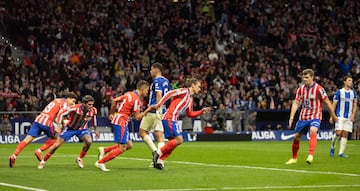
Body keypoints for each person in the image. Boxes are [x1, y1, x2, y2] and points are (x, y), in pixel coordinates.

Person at [95, 80, 155, 171]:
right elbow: (137, 117)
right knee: (122, 148)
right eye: (147, 90)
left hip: (119, 119)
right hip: (121, 121)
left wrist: (111, 113)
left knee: (129, 145)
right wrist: (148, 110)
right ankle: (101, 162)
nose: (147, 93)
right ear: (143, 89)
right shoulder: (136, 100)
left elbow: (115, 101)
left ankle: (104, 150)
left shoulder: (129, 94)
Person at [152, 78, 212, 169]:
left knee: (173, 143)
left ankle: (159, 162)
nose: (200, 89)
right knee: (179, 140)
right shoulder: (184, 91)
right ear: (192, 85)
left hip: (173, 119)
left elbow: (190, 113)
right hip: (169, 117)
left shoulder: (190, 99)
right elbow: (169, 93)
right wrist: (159, 104)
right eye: (199, 87)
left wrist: (201, 111)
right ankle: (158, 152)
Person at [9, 92, 78, 168]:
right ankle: (39, 151)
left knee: (28, 139)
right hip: (47, 122)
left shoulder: (56, 100)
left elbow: (53, 113)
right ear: (68, 98)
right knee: (56, 138)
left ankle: (14, 155)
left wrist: (60, 122)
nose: (73, 104)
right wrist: (59, 125)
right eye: (73, 101)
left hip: (39, 118)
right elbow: (59, 115)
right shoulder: (64, 104)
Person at [285, 69, 338, 165]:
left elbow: (327, 102)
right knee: (297, 137)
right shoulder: (300, 89)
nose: (304, 79)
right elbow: (296, 103)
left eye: (307, 77)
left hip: (315, 115)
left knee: (313, 130)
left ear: (312, 77)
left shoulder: (319, 89)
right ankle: (294, 158)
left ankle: (310, 155)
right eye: (303, 77)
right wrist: (291, 117)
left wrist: (333, 115)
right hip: (303, 116)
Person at [37, 95, 99, 169]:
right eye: (89, 104)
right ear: (84, 104)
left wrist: (95, 130)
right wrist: (59, 125)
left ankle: (79, 158)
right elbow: (61, 113)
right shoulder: (75, 108)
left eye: (92, 104)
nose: (91, 106)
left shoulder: (93, 110)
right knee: (56, 145)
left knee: (89, 141)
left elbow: (93, 120)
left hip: (82, 129)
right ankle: (43, 161)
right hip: (70, 129)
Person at [138, 63, 170, 167]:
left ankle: (155, 152)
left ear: (156, 70)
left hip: (154, 110)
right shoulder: (166, 81)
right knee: (159, 136)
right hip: (163, 111)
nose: (150, 72)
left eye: (151, 70)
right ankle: (160, 162)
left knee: (142, 132)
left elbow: (159, 94)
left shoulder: (157, 81)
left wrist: (157, 107)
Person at [329, 75, 357, 157]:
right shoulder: (339, 92)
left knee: (345, 134)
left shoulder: (353, 93)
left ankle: (341, 153)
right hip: (339, 116)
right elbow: (334, 104)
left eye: (351, 81)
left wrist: (352, 115)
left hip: (348, 117)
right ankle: (332, 147)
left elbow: (355, 105)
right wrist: (332, 116)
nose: (351, 82)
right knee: (338, 133)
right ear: (345, 82)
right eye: (349, 80)